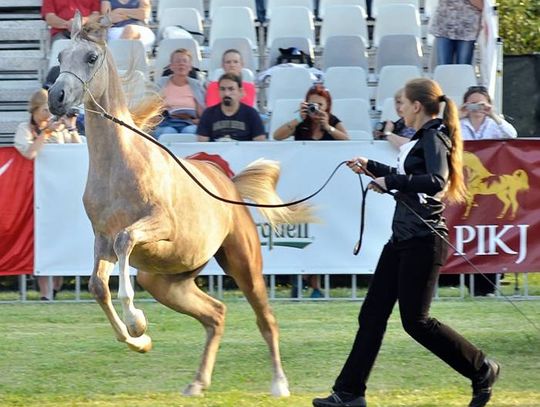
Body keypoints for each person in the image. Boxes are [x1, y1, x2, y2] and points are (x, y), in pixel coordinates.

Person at [313, 78, 500, 407]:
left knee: (416, 322)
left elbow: (435, 181)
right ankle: (349, 393)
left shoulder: (435, 135)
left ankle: (482, 368)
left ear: (416, 106)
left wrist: (391, 181)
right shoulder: (420, 138)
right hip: (402, 238)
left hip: (424, 240)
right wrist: (372, 168)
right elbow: (412, 178)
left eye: (401, 102)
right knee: (372, 315)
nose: (398, 108)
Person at [14, 89, 82, 301]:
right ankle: (45, 293)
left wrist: (70, 127)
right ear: (34, 110)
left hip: (62, 191)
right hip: (35, 194)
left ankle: (56, 287)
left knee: (60, 237)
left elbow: (79, 150)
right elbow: (29, 153)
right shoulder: (24, 129)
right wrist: (46, 133)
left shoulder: (59, 127)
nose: (48, 113)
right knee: (42, 239)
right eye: (45, 109)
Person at [197, 73, 266, 142]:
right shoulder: (208, 114)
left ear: (240, 91)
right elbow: (202, 144)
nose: (226, 93)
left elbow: (259, 144)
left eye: (231, 89)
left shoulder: (251, 114)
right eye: (222, 89)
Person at [154, 48, 206, 139]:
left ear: (190, 66)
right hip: (167, 123)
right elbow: (153, 109)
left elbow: (203, 116)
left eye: (185, 61)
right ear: (171, 66)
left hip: (190, 123)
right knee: (168, 132)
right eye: (177, 61)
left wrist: (194, 121)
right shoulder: (161, 84)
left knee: (190, 131)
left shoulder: (196, 85)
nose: (181, 64)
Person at [272, 84, 349, 141]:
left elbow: (346, 140)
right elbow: (277, 136)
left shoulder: (332, 120)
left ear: (327, 105)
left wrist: (328, 127)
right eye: (312, 104)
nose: (316, 109)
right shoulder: (301, 122)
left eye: (320, 105)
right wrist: (298, 119)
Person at [429, 0, 483, 65]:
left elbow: (481, 5)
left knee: (463, 67)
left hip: (467, 29)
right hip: (444, 26)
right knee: (444, 68)